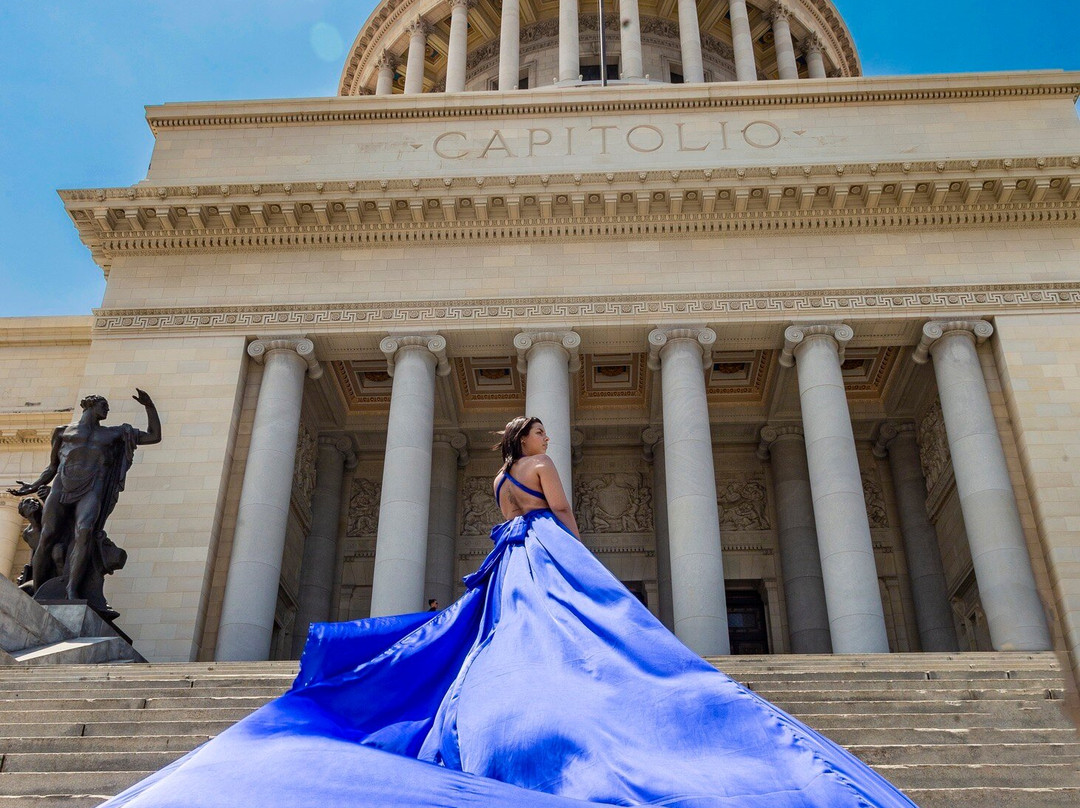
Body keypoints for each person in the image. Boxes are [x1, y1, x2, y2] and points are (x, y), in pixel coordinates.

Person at [100, 416, 918, 808]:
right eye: (540, 432)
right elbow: (561, 518)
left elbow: (512, 521)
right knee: (596, 643)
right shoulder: (541, 468)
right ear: (528, 442)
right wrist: (578, 552)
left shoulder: (495, 482)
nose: (546, 436)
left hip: (506, 556)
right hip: (546, 553)